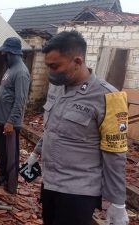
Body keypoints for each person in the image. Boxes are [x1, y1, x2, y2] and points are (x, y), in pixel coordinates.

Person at [26, 31, 129, 225]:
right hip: (50, 183)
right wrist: (36, 153)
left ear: (77, 61)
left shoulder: (108, 97)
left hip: (78, 192)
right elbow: (52, 128)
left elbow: (115, 155)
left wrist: (118, 202)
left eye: (55, 66)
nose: (50, 72)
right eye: (48, 66)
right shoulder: (58, 88)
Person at [0, 37, 31, 194]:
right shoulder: (11, 68)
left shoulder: (21, 72)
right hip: (1, 120)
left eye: (5, 52)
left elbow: (20, 101)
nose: (2, 54)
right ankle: (2, 177)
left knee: (10, 156)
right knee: (0, 151)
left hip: (9, 123)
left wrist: (11, 122)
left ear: (12, 53)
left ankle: (11, 185)